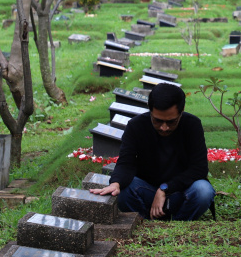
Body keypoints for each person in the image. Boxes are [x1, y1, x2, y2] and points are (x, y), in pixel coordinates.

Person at [89, 83, 216, 221]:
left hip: (181, 191)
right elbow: (126, 162)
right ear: (150, 110)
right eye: (157, 121)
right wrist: (116, 183)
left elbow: (199, 169)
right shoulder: (136, 126)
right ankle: (145, 222)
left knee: (203, 191)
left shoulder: (192, 125)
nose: (164, 127)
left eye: (171, 122)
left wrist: (164, 189)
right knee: (123, 191)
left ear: (182, 111)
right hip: (147, 191)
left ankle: (180, 222)